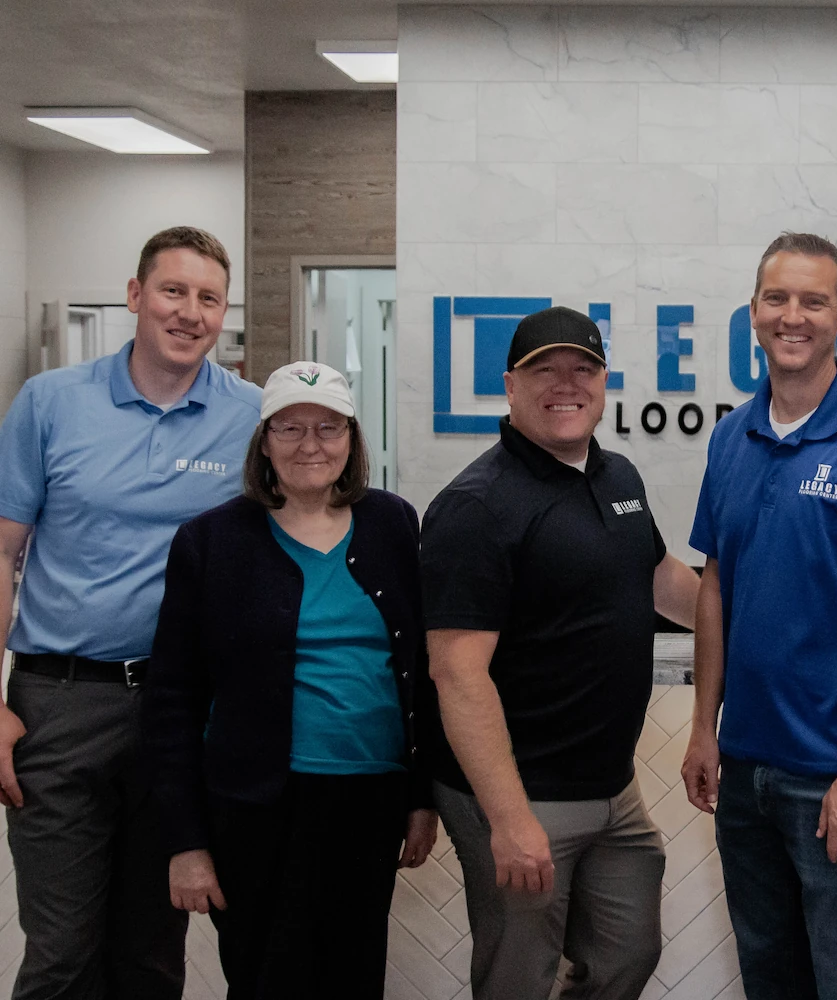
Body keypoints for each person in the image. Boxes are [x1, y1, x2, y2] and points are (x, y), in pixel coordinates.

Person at [0, 226, 260, 1000]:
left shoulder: (250, 415)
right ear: (135, 296)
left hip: (180, 711)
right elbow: (2, 552)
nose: (190, 312)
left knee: (152, 949)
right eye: (173, 291)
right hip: (59, 702)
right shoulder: (51, 402)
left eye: (209, 298)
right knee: (62, 951)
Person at [681, 232, 837, 1000]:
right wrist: (703, 728)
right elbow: (715, 588)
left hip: (836, 779)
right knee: (771, 982)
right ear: (753, 313)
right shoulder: (731, 437)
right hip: (744, 775)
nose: (793, 316)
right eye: (777, 298)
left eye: (814, 302)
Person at [421, 306, 700, 1000]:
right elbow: (457, 674)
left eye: (582, 368)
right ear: (510, 386)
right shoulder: (476, 507)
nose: (565, 384)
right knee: (518, 977)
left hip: (612, 787)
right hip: (521, 791)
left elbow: (659, 577)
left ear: (603, 383)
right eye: (544, 370)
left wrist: (757, 630)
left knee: (628, 953)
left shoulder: (618, 476)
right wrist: (509, 819)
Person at [142, 361, 436, 998]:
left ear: (352, 438)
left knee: (354, 980)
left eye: (329, 428)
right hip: (255, 807)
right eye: (290, 428)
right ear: (264, 441)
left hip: (370, 801)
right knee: (267, 979)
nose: (310, 445)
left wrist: (421, 799)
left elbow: (420, 674)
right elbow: (172, 700)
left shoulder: (393, 524)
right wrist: (185, 842)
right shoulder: (211, 541)